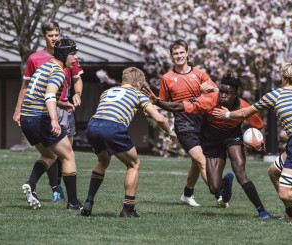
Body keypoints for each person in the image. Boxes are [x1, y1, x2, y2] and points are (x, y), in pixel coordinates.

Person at [213, 62, 292, 223]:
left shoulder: (277, 94)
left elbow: (247, 111)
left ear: (286, 78)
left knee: (285, 193)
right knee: (273, 171)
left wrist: (226, 115)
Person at [143, 74, 272, 218]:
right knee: (214, 188)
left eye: (227, 93)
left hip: (232, 137)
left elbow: (259, 126)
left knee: (240, 172)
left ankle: (261, 210)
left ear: (235, 94)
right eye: (221, 91)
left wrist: (262, 145)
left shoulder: (243, 106)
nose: (222, 96)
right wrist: (158, 102)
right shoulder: (208, 100)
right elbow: (179, 106)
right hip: (211, 140)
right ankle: (225, 184)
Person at [81, 67, 175, 218]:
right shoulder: (138, 94)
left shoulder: (108, 91)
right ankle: (128, 209)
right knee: (134, 164)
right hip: (112, 127)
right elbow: (158, 118)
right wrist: (170, 131)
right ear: (138, 84)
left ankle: (89, 201)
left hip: (93, 126)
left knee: (103, 160)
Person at [12, 20, 84, 203]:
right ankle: (73, 202)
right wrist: (53, 119)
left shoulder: (46, 66)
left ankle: (31, 183)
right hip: (39, 117)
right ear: (65, 54)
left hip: (28, 119)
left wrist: (62, 105)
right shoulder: (59, 72)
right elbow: (49, 96)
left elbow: (39, 93)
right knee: (68, 154)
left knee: (49, 154)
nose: (76, 58)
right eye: (74, 54)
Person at [159, 39, 218, 207]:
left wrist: (210, 89)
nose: (179, 56)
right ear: (171, 57)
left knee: (196, 162)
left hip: (203, 123)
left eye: (181, 53)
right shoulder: (167, 78)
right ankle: (220, 194)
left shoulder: (200, 74)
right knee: (202, 160)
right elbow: (162, 104)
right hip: (184, 125)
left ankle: (187, 194)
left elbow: (219, 92)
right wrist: (170, 128)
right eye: (175, 54)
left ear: (187, 53)